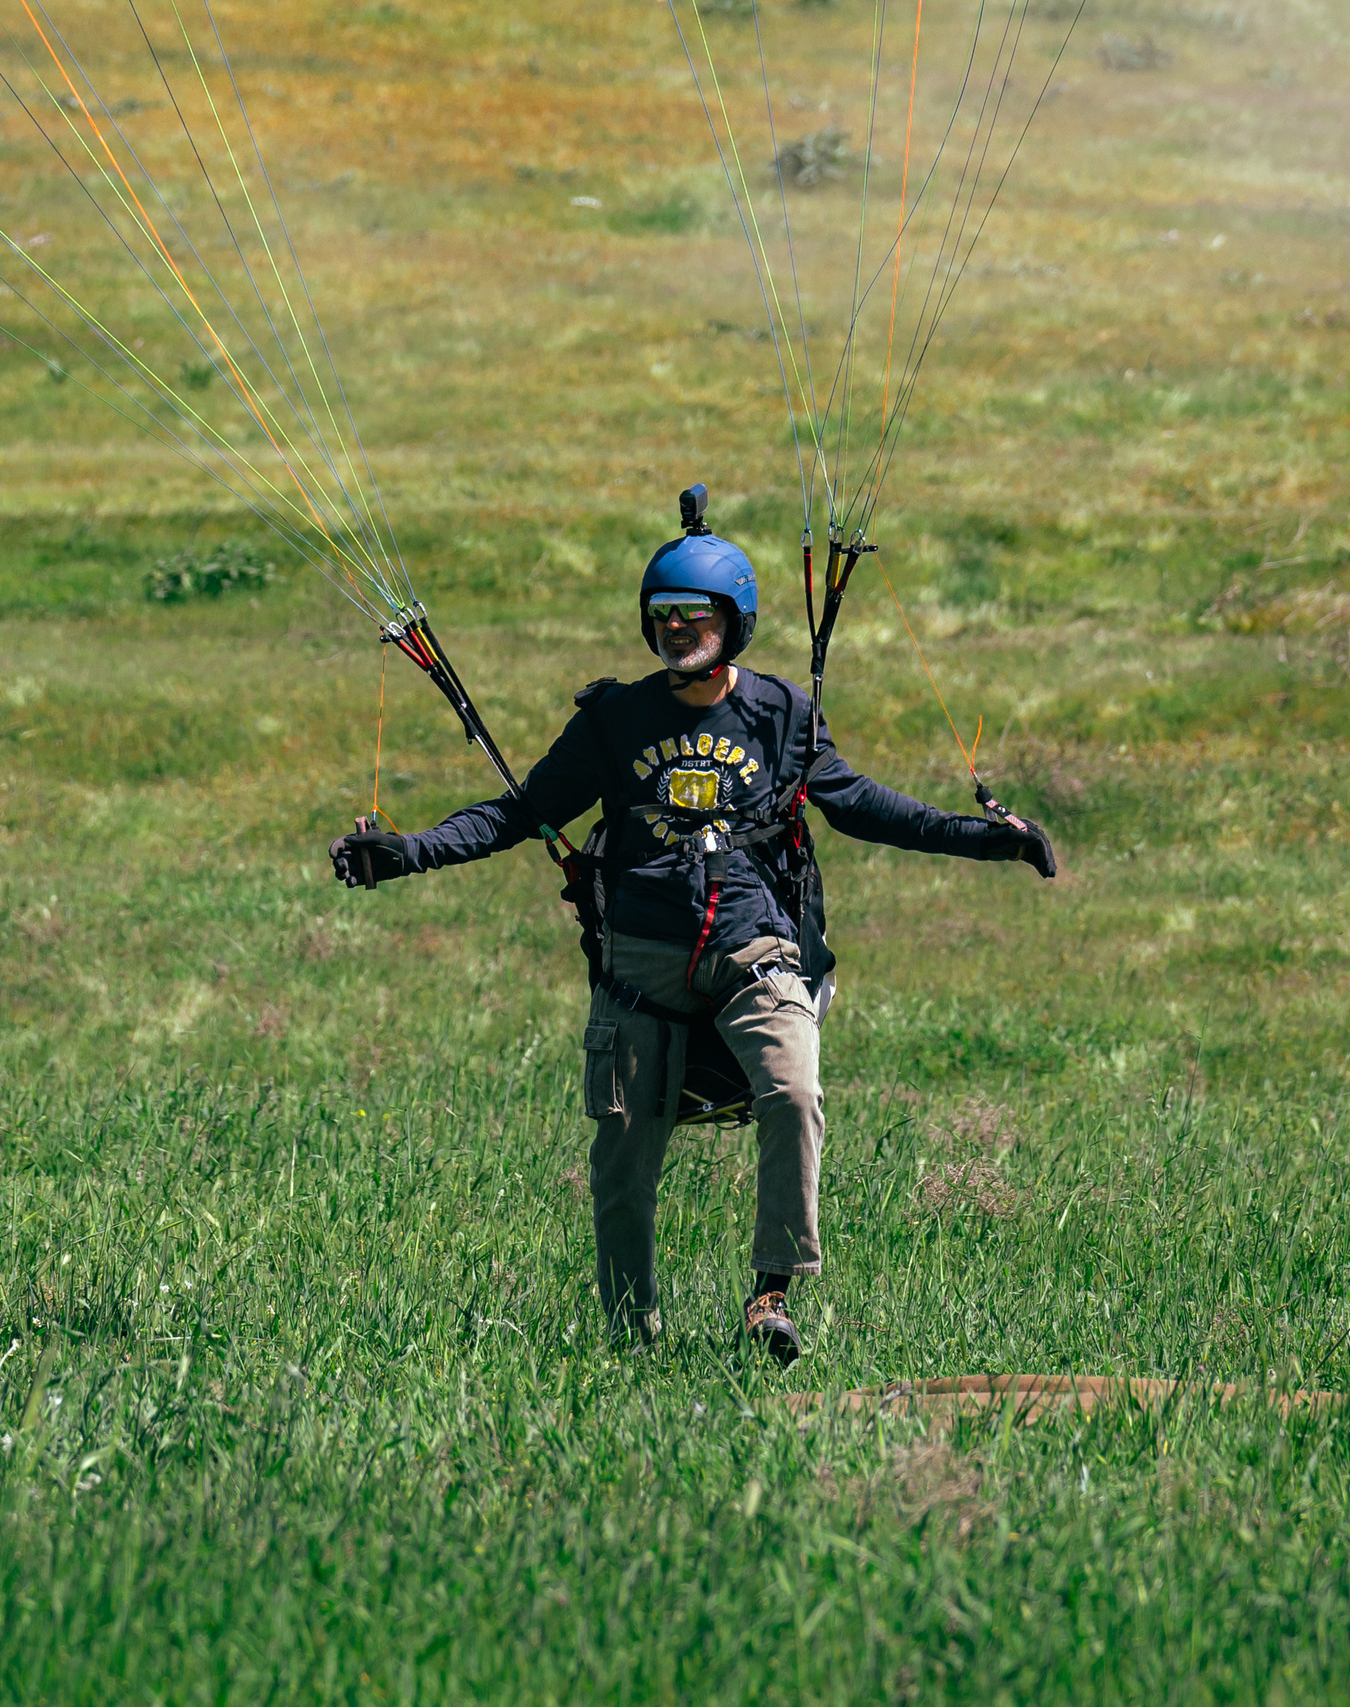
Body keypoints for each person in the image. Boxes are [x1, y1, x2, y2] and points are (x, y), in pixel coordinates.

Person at [330, 488, 1055, 1364]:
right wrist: (409, 851)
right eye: (663, 614)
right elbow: (516, 812)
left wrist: (987, 839)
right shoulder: (613, 720)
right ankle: (631, 1342)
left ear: (734, 619)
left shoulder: (781, 715)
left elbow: (863, 807)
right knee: (624, 1158)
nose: (676, 629)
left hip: (757, 950)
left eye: (695, 614)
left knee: (793, 1092)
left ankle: (772, 1290)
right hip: (643, 958)